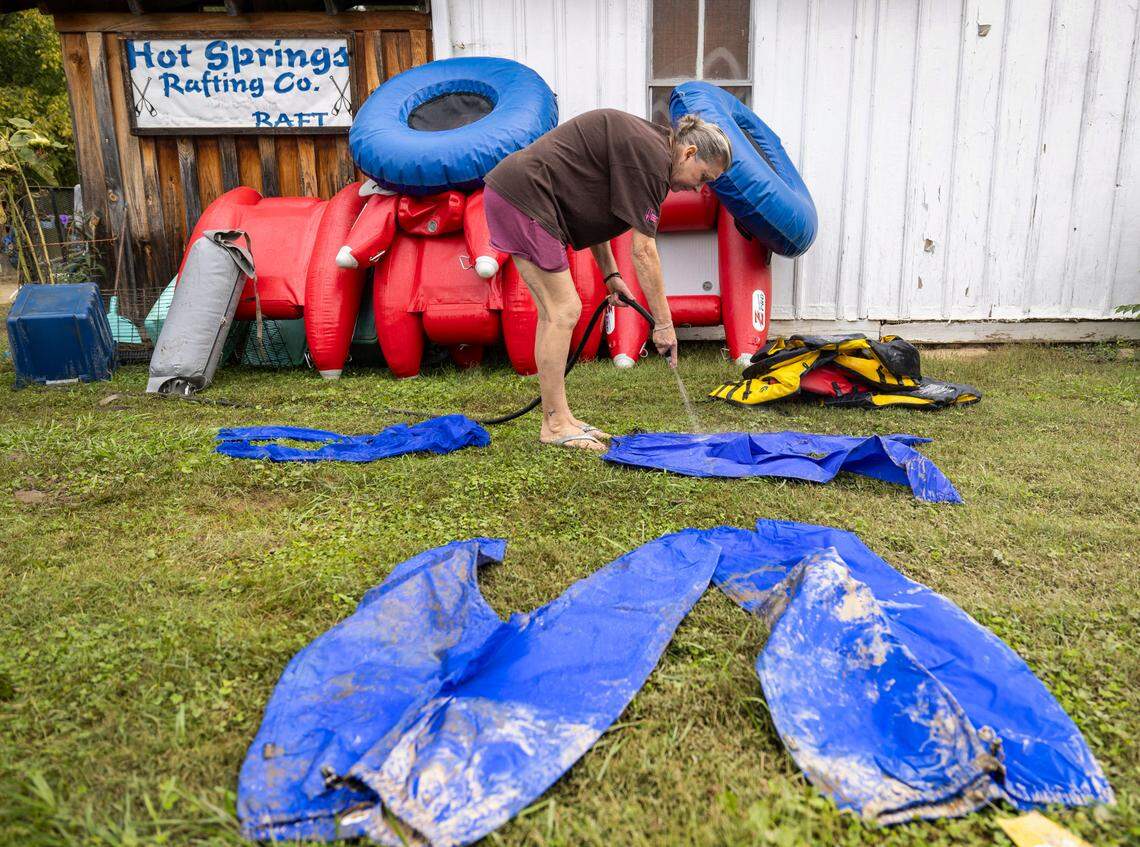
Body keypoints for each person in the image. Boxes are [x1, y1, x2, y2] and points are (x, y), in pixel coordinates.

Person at [483, 109, 732, 450]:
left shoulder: (651, 152)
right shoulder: (652, 161)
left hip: (517, 193)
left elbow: (595, 211)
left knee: (554, 312)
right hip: (525, 196)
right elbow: (644, 251)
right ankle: (554, 424)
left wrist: (611, 275)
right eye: (703, 176)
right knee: (565, 309)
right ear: (689, 153)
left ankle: (561, 417)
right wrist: (663, 323)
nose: (696, 187)